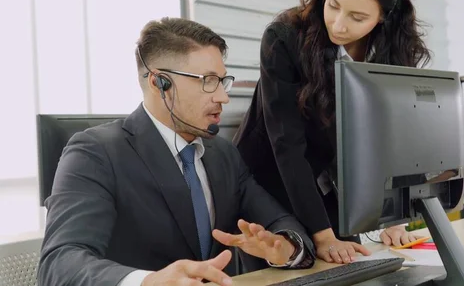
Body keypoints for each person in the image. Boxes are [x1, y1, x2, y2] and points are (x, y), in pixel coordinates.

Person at [37, 18, 315, 286]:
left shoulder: (223, 154)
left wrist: (285, 249)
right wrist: (147, 281)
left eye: (222, 81)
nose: (223, 97)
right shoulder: (95, 154)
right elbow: (59, 264)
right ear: (160, 83)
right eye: (208, 80)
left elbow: (280, 221)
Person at [233, 0, 430, 265]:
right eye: (333, 5)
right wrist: (322, 235)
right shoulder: (285, 37)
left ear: (384, 15)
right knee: (300, 261)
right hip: (270, 176)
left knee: (349, 262)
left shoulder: (391, 51)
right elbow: (287, 144)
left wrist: (393, 218)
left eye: (357, 17)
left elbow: (392, 137)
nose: (338, 25)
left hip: (325, 179)